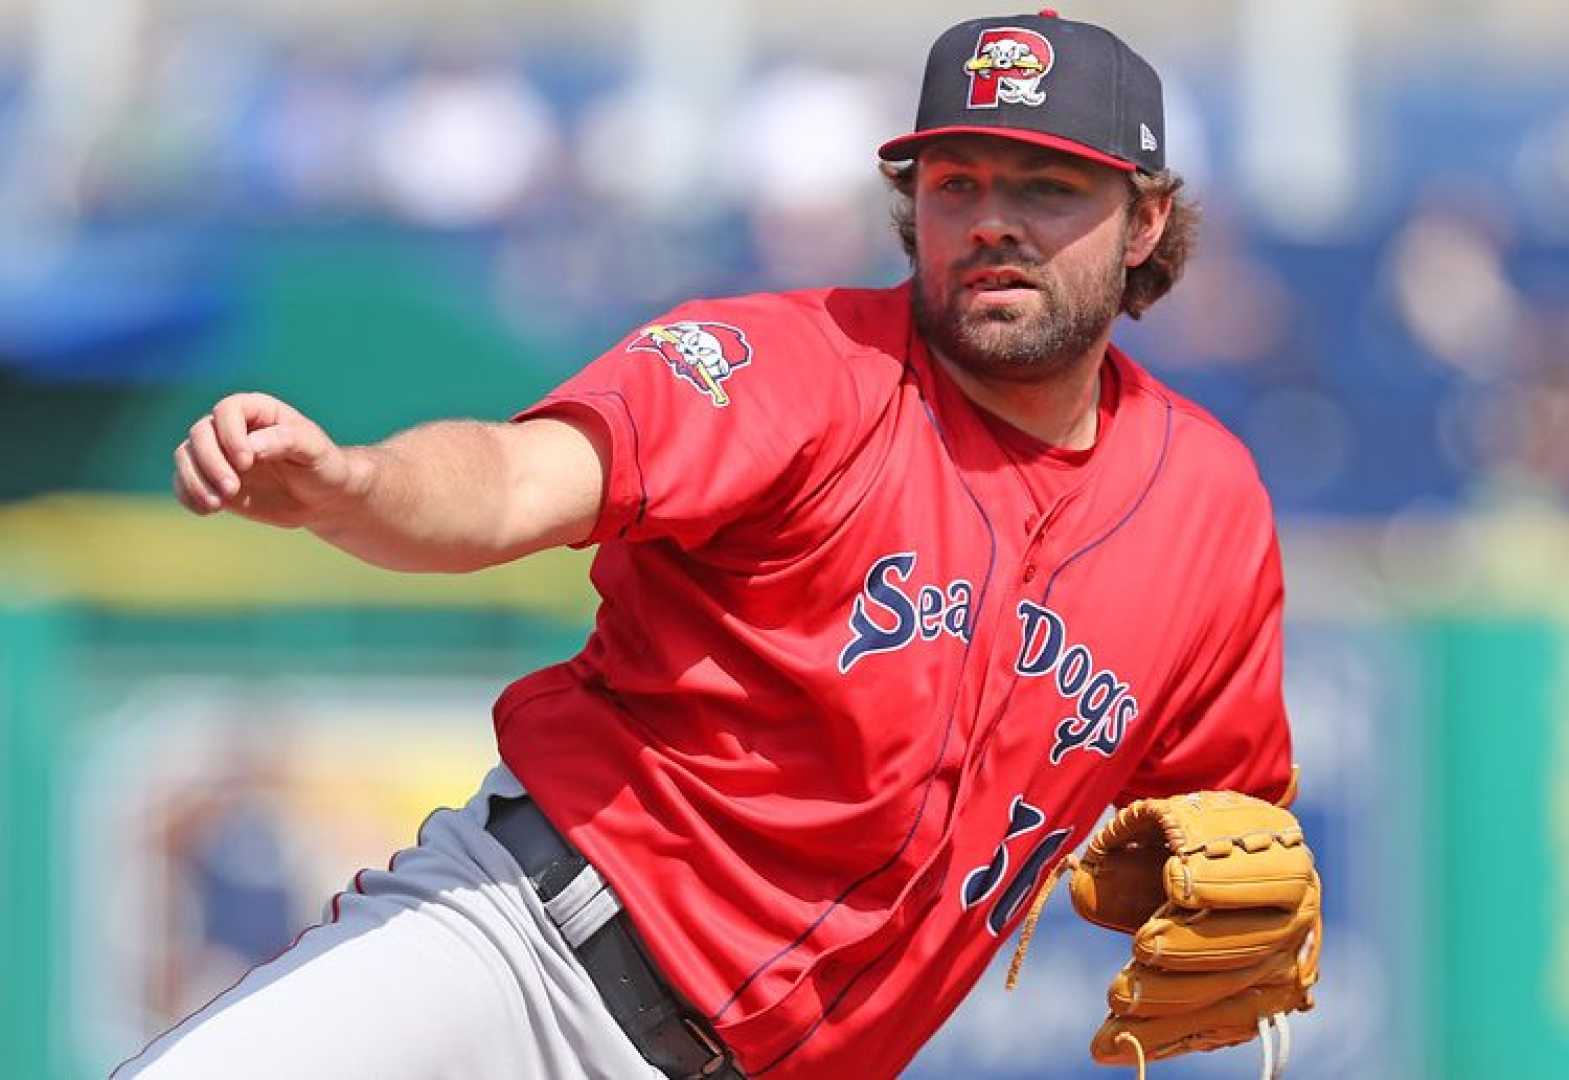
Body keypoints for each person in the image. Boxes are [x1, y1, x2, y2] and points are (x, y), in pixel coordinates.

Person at [119, 11, 1304, 1080]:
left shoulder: (1212, 510)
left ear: (1147, 218)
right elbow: (513, 480)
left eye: (1045, 188)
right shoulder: (793, 367)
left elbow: (1221, 823)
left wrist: (1208, 888)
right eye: (955, 183)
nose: (991, 220)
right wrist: (354, 483)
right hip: (519, 962)